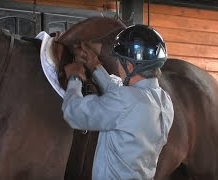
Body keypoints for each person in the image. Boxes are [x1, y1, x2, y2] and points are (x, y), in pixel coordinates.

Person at [62, 24, 174, 180]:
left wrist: (75, 78)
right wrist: (95, 66)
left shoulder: (126, 100)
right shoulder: (165, 101)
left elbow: (74, 113)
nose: (118, 66)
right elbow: (123, 98)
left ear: (129, 66)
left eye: (119, 62)